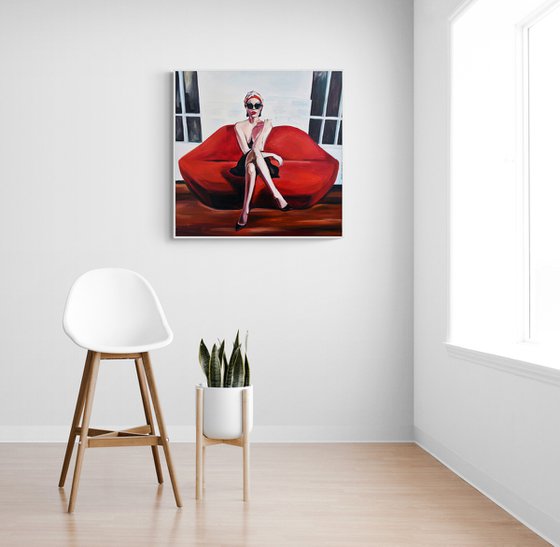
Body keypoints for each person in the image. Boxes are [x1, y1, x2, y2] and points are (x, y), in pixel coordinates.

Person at [230, 91, 290, 230]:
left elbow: (259, 147)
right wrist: (273, 155)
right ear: (245, 107)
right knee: (251, 158)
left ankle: (245, 211)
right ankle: (276, 195)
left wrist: (262, 130)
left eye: (257, 105)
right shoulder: (239, 126)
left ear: (262, 107)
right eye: (250, 105)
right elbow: (246, 151)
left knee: (251, 168)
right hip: (246, 159)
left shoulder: (266, 124)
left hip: (261, 162)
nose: (253, 109)